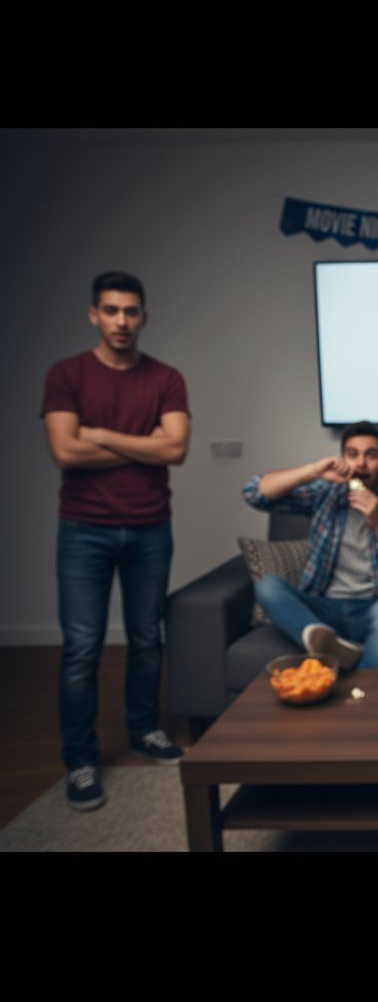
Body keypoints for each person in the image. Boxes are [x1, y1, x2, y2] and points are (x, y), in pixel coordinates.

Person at [42, 271, 191, 811]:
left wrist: (101, 434)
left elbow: (175, 451)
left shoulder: (166, 378)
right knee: (82, 649)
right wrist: (143, 444)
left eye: (130, 311)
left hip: (150, 526)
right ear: (94, 315)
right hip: (84, 531)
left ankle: (145, 731)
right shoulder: (66, 375)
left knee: (147, 638)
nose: (121, 321)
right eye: (111, 311)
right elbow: (65, 452)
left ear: (143, 317)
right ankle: (81, 760)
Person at [242, 421, 378, 670]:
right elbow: (254, 493)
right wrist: (313, 471)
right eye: (352, 455)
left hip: (373, 608)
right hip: (322, 606)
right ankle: (324, 641)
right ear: (342, 460)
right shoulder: (325, 494)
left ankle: (357, 691)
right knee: (267, 586)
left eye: (371, 455)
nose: (360, 464)